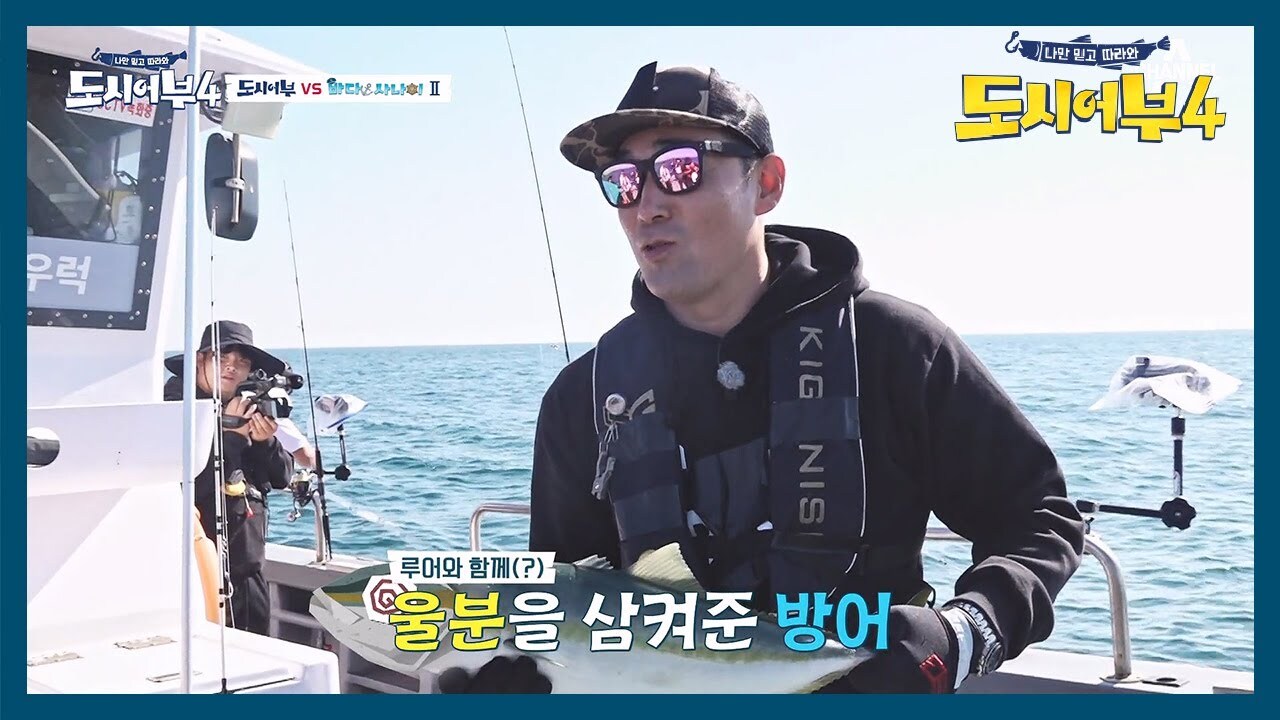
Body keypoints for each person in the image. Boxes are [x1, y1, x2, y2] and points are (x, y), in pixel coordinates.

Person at [444, 61, 1086, 695]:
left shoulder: (896, 346)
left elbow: (1038, 517)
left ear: (767, 184)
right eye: (623, 182)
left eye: (679, 169)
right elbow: (563, 598)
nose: (647, 206)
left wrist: (964, 632)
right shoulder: (583, 398)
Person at [164, 320, 294, 636]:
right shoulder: (173, 408)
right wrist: (232, 436)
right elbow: (186, 489)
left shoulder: (244, 404)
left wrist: (264, 442)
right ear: (199, 360)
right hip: (195, 574)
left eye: (242, 362)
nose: (232, 367)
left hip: (248, 574)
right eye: (221, 357)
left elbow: (282, 477)